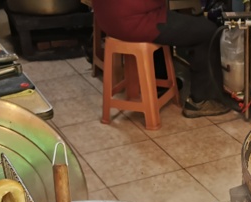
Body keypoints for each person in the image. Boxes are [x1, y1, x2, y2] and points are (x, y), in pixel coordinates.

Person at [93, 0, 230, 118]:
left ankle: (159, 81)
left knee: (168, 16)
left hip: (107, 19)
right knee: (207, 31)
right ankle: (201, 101)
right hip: (133, 20)